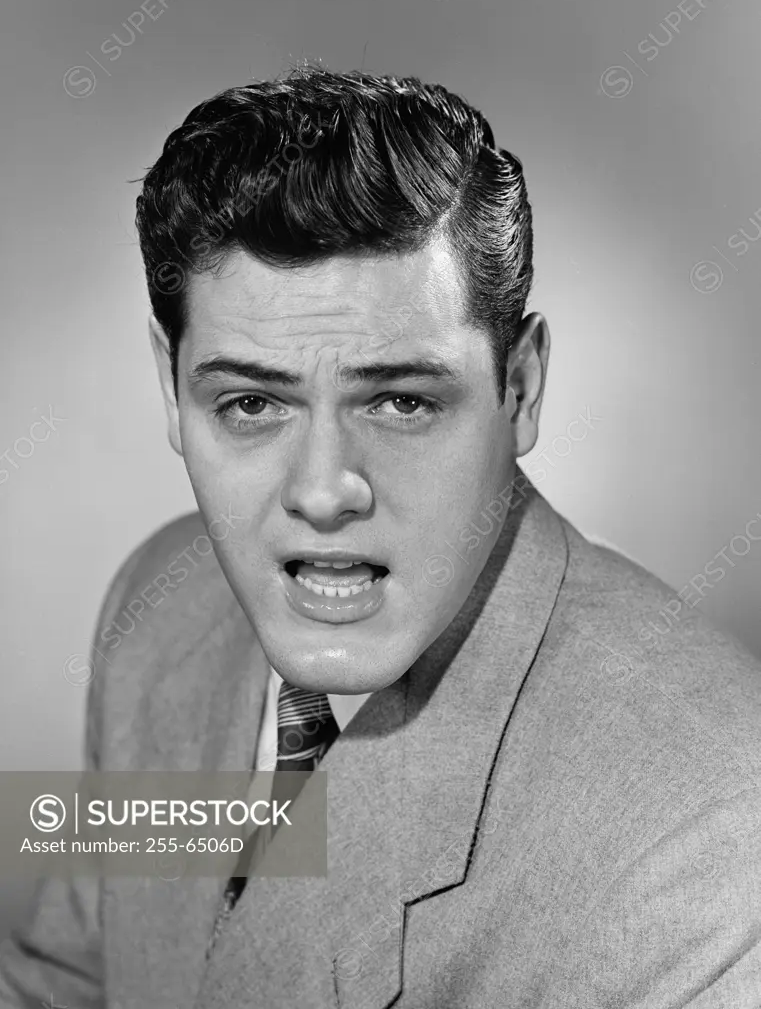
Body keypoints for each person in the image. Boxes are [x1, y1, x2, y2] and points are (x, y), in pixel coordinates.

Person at [3, 67, 761, 1008]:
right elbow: (69, 981)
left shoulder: (712, 827)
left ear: (518, 389)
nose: (323, 493)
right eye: (249, 402)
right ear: (171, 389)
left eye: (402, 401)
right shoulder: (158, 608)